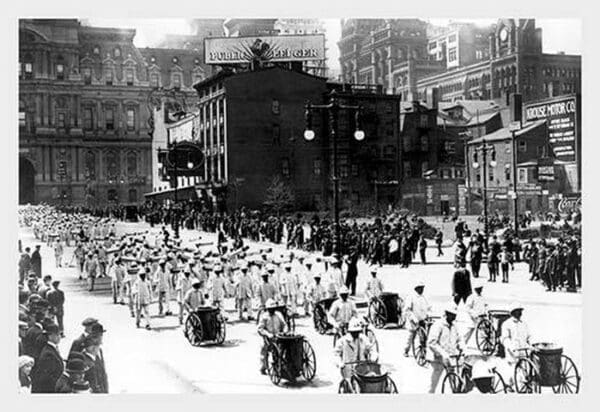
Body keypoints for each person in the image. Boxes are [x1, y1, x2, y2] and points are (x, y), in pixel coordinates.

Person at [426, 304, 465, 393]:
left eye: (455, 315)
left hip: (450, 357)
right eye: (452, 315)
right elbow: (432, 343)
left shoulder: (455, 326)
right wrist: (443, 353)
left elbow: (459, 339)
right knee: (433, 383)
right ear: (447, 314)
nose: (454, 317)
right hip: (437, 358)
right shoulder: (438, 325)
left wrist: (462, 347)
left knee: (453, 380)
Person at [257, 299, 288, 375]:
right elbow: (260, 329)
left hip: (279, 337)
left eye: (273, 308)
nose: (272, 310)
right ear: (267, 309)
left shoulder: (278, 314)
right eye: (271, 309)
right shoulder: (264, 316)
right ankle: (263, 367)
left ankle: (284, 366)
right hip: (268, 338)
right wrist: (267, 334)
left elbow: (284, 325)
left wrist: (284, 331)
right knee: (264, 350)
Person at [30, 323, 64, 393]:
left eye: (60, 334)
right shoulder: (48, 354)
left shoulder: (51, 349)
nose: (59, 337)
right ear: (50, 336)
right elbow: (47, 378)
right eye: (57, 335)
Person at [403, 279, 432, 357]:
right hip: (413, 321)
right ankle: (406, 350)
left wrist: (429, 315)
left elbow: (428, 307)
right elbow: (407, 310)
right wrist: (414, 319)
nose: (422, 290)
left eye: (423, 288)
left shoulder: (424, 297)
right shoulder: (411, 297)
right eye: (420, 288)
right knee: (410, 337)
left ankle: (422, 352)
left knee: (422, 337)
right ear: (416, 288)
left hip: (422, 320)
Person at [500, 302, 531, 368]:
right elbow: (505, 339)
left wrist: (531, 346)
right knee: (513, 372)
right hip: (512, 355)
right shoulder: (506, 324)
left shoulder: (524, 324)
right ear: (513, 312)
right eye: (518, 311)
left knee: (525, 373)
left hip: (523, 353)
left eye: (520, 311)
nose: (520, 313)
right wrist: (511, 347)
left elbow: (529, 337)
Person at [463, 279, 488, 345]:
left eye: (481, 288)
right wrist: (474, 314)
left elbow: (485, 306)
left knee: (484, 332)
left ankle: (485, 346)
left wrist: (486, 312)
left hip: (481, 317)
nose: (480, 290)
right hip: (472, 318)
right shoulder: (471, 297)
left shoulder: (482, 297)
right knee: (468, 332)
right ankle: (462, 345)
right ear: (475, 289)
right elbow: (467, 308)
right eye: (479, 289)